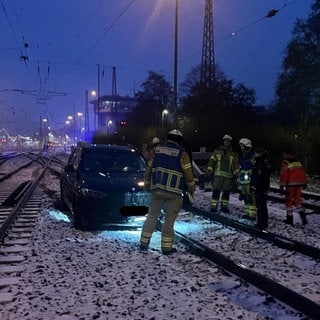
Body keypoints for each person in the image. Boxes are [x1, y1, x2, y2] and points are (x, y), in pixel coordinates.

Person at [140, 129, 196, 255]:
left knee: (152, 216)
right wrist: (192, 189)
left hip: (157, 190)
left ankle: (144, 243)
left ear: (168, 138)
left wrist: (147, 186)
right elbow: (189, 175)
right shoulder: (183, 154)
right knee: (169, 220)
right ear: (179, 141)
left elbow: (148, 170)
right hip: (174, 193)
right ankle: (166, 248)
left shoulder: (156, 151)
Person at [207, 134, 239, 213]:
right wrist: (210, 169)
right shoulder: (217, 151)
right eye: (225, 141)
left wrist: (236, 174)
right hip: (218, 176)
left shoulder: (233, 153)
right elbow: (212, 161)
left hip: (228, 177)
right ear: (223, 141)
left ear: (230, 142)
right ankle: (213, 207)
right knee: (216, 191)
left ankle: (224, 207)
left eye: (228, 141)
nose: (226, 142)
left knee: (226, 192)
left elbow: (236, 164)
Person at [279, 147, 307, 225]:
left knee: (288, 201)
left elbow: (284, 174)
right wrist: (304, 182)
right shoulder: (297, 161)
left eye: (283, 154)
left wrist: (282, 185)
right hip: (300, 183)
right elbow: (302, 172)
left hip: (291, 184)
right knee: (297, 201)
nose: (283, 155)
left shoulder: (285, 162)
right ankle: (303, 217)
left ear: (286, 154)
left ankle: (289, 219)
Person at [250, 147, 271, 230]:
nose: (255, 154)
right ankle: (262, 223)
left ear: (260, 153)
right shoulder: (262, 162)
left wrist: (256, 187)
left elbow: (260, 177)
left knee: (261, 206)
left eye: (256, 153)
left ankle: (262, 224)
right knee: (261, 206)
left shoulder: (261, 163)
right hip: (261, 187)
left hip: (261, 188)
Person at [238, 138, 257, 220]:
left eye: (242, 146)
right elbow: (241, 169)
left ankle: (252, 215)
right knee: (245, 198)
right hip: (244, 181)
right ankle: (247, 213)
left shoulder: (252, 156)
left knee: (250, 198)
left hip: (249, 181)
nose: (241, 148)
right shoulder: (244, 156)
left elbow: (255, 169)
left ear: (246, 146)